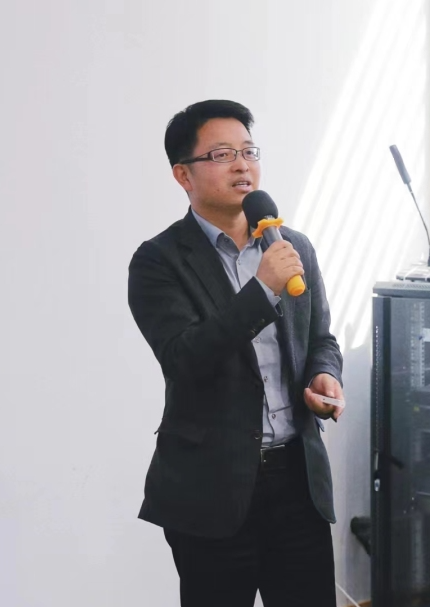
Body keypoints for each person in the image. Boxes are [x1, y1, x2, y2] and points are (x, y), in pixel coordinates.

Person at [127, 99, 346, 607]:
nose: (242, 165)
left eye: (249, 151)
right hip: (212, 490)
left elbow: (321, 339)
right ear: (183, 174)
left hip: (298, 482)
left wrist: (324, 376)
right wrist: (262, 290)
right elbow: (184, 358)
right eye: (222, 154)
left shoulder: (291, 246)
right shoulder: (158, 261)